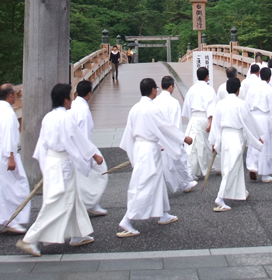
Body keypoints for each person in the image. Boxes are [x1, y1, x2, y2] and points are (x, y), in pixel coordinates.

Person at [16, 83, 103, 256]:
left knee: (72, 199)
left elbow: (42, 144)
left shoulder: (48, 117)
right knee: (56, 204)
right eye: (70, 96)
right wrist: (93, 155)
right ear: (65, 100)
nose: (71, 100)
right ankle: (30, 239)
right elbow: (77, 139)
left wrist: (43, 163)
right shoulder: (65, 118)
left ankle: (79, 234)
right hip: (62, 164)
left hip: (51, 161)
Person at [117, 78, 193, 237]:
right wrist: (183, 138)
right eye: (155, 88)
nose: (156, 90)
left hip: (141, 146)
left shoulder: (135, 108)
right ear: (152, 90)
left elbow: (129, 134)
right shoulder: (151, 109)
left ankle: (163, 213)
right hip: (149, 150)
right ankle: (128, 219)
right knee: (145, 184)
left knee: (157, 181)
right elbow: (166, 127)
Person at [209, 77, 263, 212]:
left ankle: (240, 191)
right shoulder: (241, 104)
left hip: (224, 136)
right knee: (231, 167)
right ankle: (220, 197)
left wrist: (214, 141)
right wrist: (257, 137)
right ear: (239, 90)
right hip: (235, 136)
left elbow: (216, 124)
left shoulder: (220, 104)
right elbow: (249, 122)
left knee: (231, 165)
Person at [0, 84, 30, 235]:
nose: (17, 97)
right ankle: (11, 219)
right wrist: (11, 157)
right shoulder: (7, 113)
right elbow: (8, 136)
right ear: (10, 96)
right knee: (17, 185)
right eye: (15, 95)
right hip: (5, 152)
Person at [69, 80, 108, 216]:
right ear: (89, 93)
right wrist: (91, 155)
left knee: (83, 178)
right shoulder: (83, 110)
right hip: (82, 148)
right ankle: (90, 203)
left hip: (75, 147)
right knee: (99, 171)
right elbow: (83, 136)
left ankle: (90, 203)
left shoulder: (73, 104)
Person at [154, 76, 197, 194]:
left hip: (158, 137)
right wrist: (181, 137)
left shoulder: (155, 101)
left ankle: (173, 185)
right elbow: (175, 123)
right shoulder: (173, 102)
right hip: (171, 136)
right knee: (179, 160)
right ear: (171, 86)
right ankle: (185, 183)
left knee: (162, 164)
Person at [245, 67, 272, 183]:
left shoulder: (252, 88)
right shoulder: (271, 90)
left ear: (259, 74)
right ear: (270, 78)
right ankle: (265, 174)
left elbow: (247, 105)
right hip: (265, 118)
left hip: (253, 117)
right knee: (266, 145)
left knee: (254, 143)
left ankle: (252, 166)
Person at [181, 67, 216, 178]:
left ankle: (192, 169)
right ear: (207, 76)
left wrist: (191, 117)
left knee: (193, 146)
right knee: (203, 145)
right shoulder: (209, 89)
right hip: (204, 118)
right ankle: (200, 169)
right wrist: (211, 122)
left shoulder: (191, 89)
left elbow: (186, 106)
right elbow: (211, 107)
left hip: (194, 118)